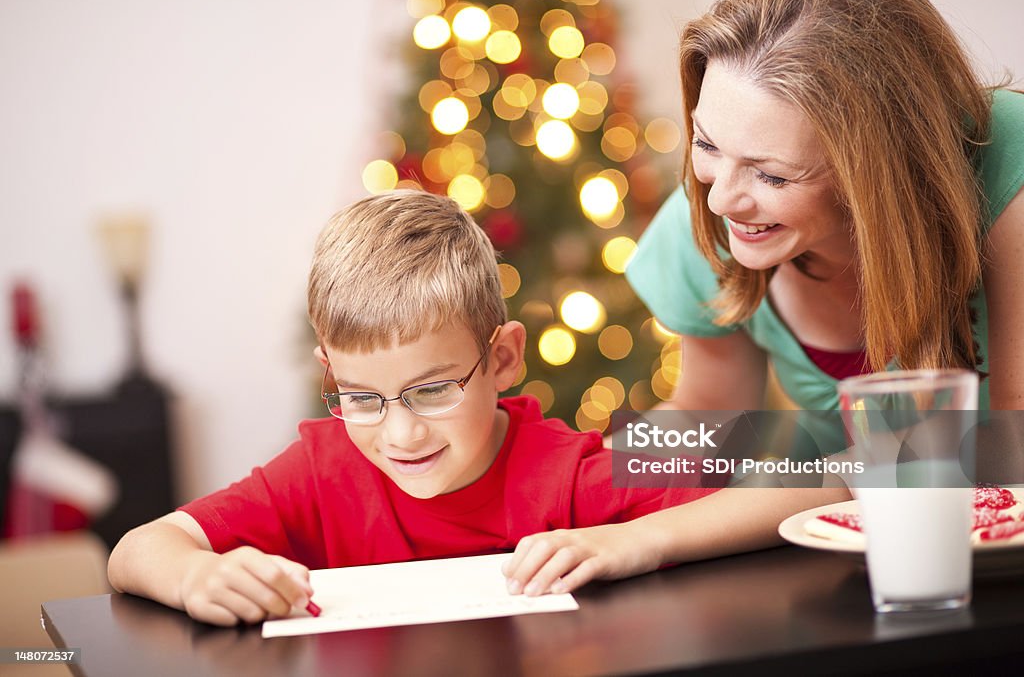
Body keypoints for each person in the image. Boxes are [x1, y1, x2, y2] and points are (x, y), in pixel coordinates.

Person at [502, 0, 1024, 589]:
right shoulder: (713, 222)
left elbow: (1007, 449)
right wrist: (566, 481)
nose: (721, 198)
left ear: (877, 166)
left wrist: (648, 536)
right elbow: (710, 416)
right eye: (706, 144)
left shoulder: (1010, 166)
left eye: (771, 174)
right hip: (855, 572)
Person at [107, 190, 728, 626]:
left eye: (433, 389)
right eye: (363, 399)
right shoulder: (319, 473)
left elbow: (811, 467)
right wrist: (194, 578)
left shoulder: (567, 471)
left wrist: (642, 538)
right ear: (333, 375)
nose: (401, 434)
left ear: (505, 358)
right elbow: (136, 549)